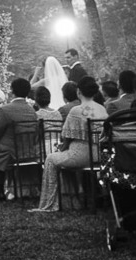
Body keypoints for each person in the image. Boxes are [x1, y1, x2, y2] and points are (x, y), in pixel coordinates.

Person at [30, 77, 109, 213]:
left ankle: (50, 203)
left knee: (51, 159)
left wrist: (62, 147)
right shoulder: (102, 109)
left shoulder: (76, 111)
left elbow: (66, 137)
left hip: (81, 155)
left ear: (79, 92)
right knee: (61, 159)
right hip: (98, 154)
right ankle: (72, 200)